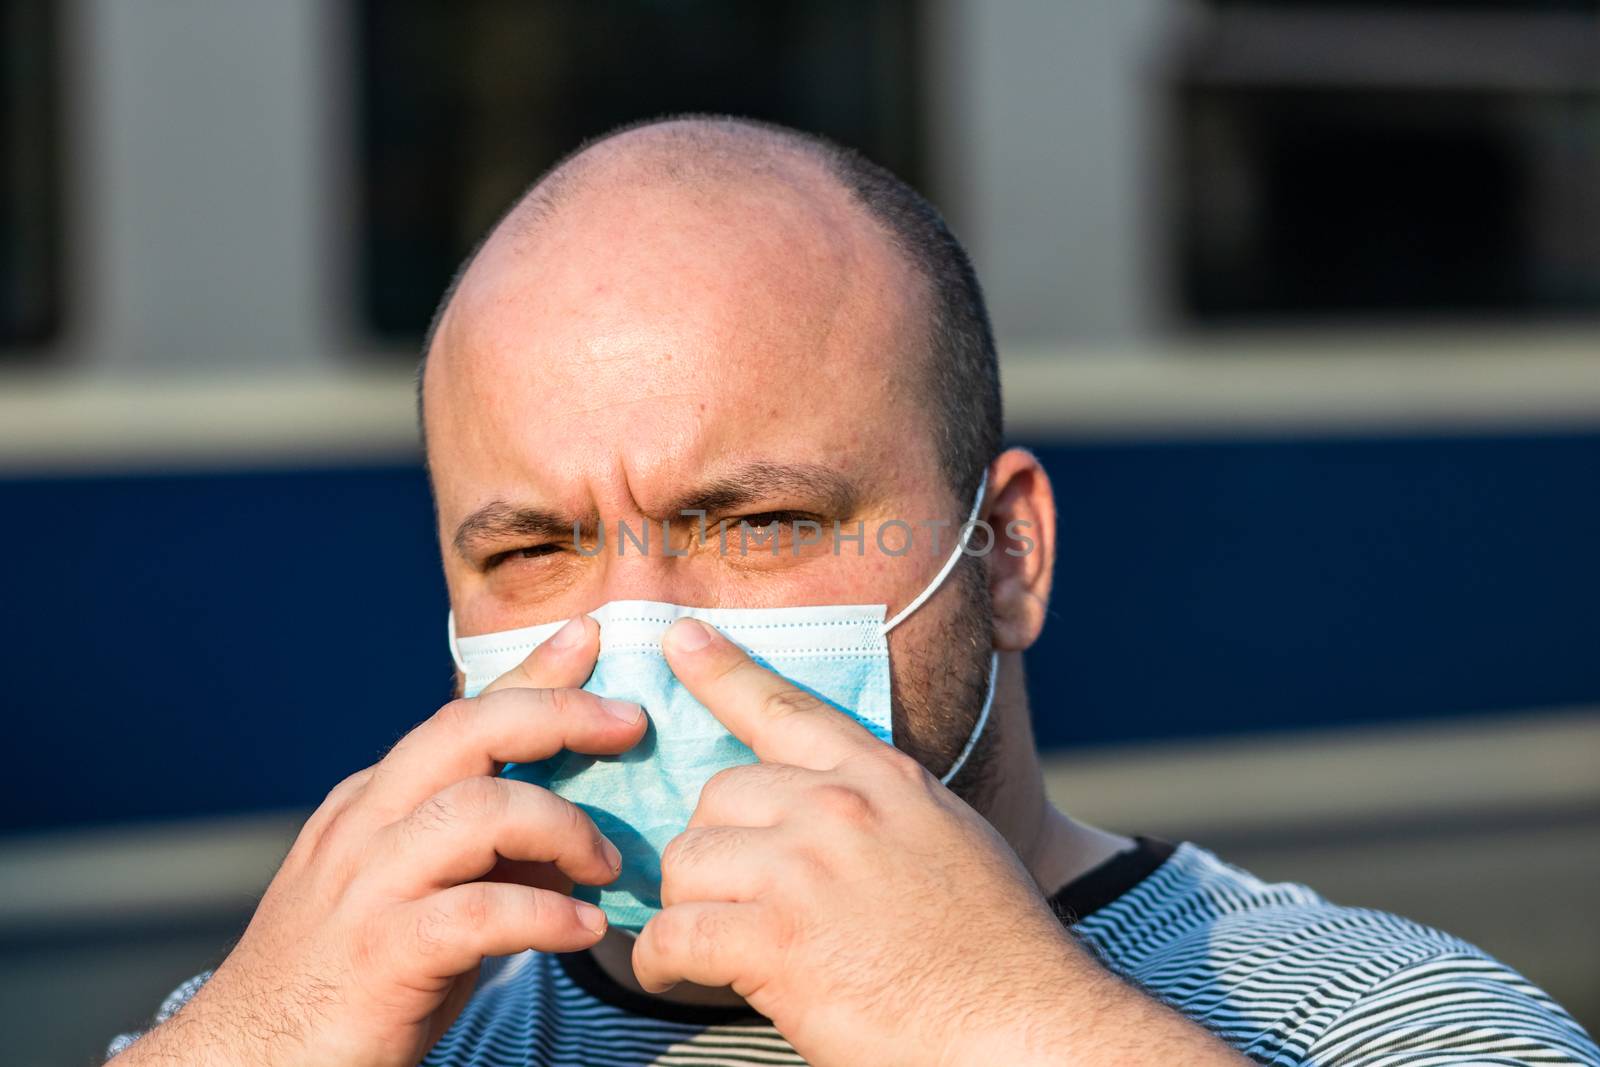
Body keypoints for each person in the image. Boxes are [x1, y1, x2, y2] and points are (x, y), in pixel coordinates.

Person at [108, 116, 1599, 1067]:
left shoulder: (1381, 1026)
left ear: (1006, 551)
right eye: (533, 551)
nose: (638, 638)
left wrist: (996, 1027)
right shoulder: (341, 1033)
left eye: (754, 521)